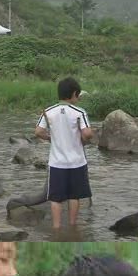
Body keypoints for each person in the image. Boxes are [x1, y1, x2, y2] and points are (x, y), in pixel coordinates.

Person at [36, 76, 93, 230]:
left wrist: (50, 138)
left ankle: (56, 229)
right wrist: (84, 138)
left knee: (55, 198)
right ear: (74, 93)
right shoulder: (79, 112)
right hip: (77, 162)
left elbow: (38, 131)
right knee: (74, 196)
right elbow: (87, 134)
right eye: (78, 95)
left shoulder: (48, 112)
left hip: (56, 163)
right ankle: (73, 227)